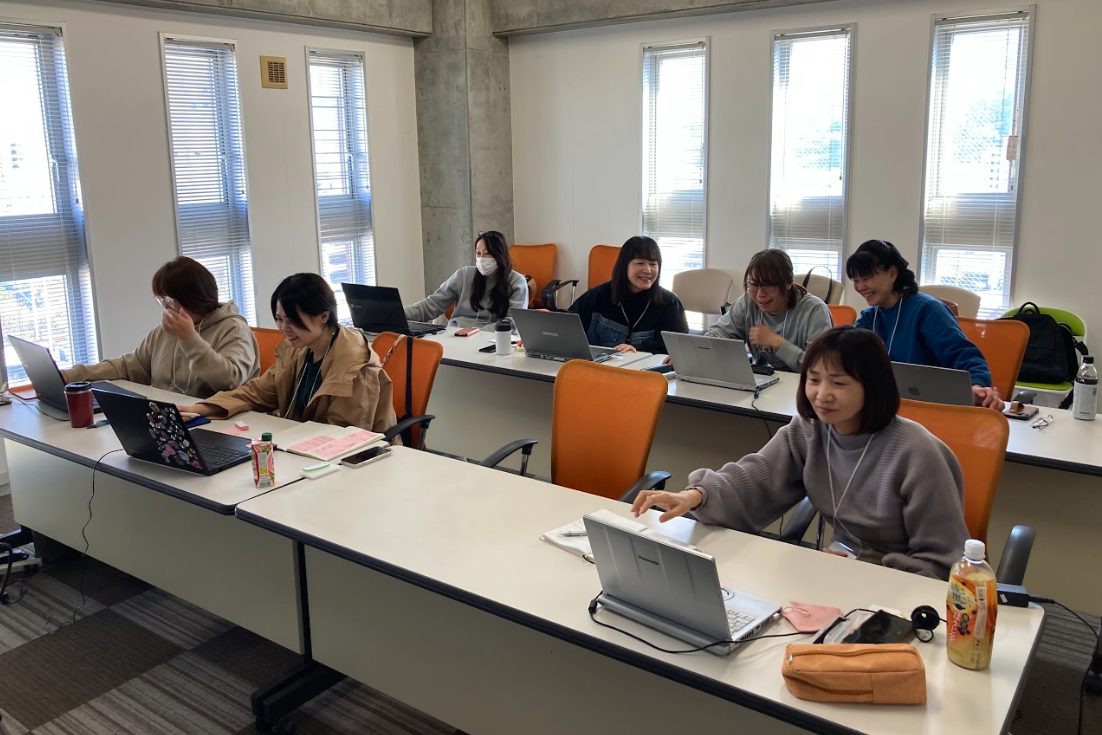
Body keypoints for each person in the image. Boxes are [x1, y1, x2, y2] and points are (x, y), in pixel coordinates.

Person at [631, 327, 969, 580]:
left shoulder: (916, 453)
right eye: (814, 380)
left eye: (839, 383)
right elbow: (756, 478)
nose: (822, 394)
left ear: (873, 387)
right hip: (840, 571)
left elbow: (942, 564)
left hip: (900, 588)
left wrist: (864, 571)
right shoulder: (810, 430)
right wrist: (696, 495)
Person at [180, 273, 396, 433]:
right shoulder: (297, 350)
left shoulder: (354, 364)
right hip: (304, 446)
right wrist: (200, 408)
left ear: (323, 316)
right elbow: (257, 392)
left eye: (292, 320)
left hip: (354, 461)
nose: (284, 328)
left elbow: (344, 434)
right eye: (279, 319)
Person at [63, 256, 258, 398]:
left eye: (168, 301)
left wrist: (190, 340)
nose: (165, 308)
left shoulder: (233, 329)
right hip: (168, 418)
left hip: (218, 421)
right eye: (161, 301)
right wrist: (74, 375)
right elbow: (130, 367)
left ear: (192, 298)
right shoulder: (166, 332)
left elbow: (230, 381)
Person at [847, 239, 1002, 410]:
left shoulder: (927, 310)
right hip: (888, 406)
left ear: (892, 273)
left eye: (866, 278)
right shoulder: (869, 317)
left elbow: (966, 357)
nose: (860, 287)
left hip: (931, 408)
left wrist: (977, 386)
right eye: (856, 280)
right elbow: (849, 359)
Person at [705, 249, 831, 371]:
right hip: (762, 381)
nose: (760, 294)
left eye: (768, 285)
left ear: (788, 283)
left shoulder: (814, 310)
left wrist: (778, 343)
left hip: (802, 383)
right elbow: (717, 335)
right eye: (754, 284)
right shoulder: (747, 302)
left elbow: (820, 366)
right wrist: (705, 346)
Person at [569, 235, 688, 354]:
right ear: (624, 265)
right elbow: (569, 322)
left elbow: (678, 345)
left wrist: (638, 349)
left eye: (653, 264)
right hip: (599, 364)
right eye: (640, 263)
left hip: (645, 365)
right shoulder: (600, 294)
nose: (648, 270)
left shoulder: (669, 302)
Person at [404, 230, 528, 328]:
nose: (481, 258)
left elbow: (513, 323)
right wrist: (398, 314)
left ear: (500, 255)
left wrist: (476, 334)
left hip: (492, 340)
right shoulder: (464, 275)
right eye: (478, 253)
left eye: (487, 253)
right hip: (456, 335)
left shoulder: (517, 282)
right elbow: (432, 305)